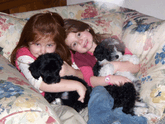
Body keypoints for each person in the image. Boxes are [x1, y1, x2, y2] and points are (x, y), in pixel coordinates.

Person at [64, 19, 140, 87]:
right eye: (74, 44)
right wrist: (110, 79)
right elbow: (90, 81)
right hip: (105, 88)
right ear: (73, 50)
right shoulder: (80, 57)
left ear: (86, 28)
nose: (80, 41)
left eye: (79, 34)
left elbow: (136, 67)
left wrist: (113, 66)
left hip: (128, 82)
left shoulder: (111, 40)